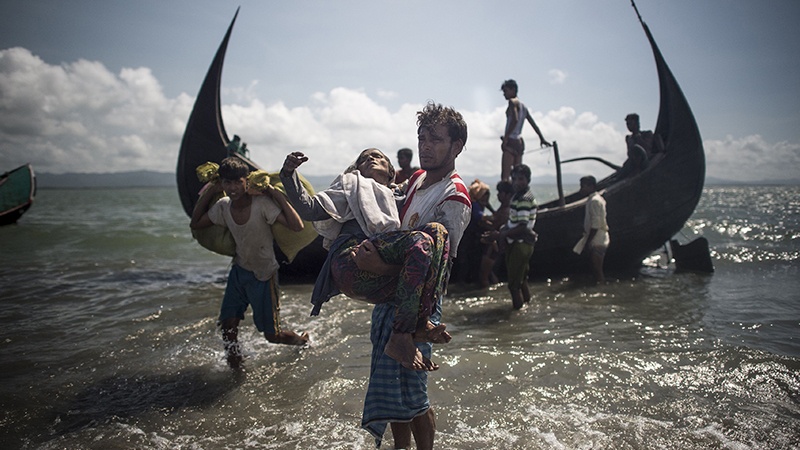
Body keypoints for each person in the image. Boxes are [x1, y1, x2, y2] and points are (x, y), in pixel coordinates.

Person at [358, 102, 472, 450]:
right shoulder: (418, 180)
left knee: (414, 394)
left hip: (419, 307)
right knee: (394, 395)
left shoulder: (455, 198)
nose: (425, 145)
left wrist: (378, 267)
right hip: (389, 300)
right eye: (422, 137)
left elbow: (436, 268)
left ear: (457, 147)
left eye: (435, 139)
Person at [279, 147, 451, 371]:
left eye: (377, 156)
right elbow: (309, 209)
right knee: (422, 241)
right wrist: (289, 174)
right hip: (351, 259)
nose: (370, 158)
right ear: (357, 168)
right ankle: (401, 336)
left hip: (379, 264)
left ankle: (419, 324)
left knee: (438, 233)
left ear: (390, 172)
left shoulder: (396, 197)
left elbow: (427, 181)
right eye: (364, 158)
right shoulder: (351, 185)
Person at [190, 157, 309, 369]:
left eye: (237, 182)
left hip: (264, 275)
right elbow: (196, 223)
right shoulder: (223, 206)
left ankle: (302, 341)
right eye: (227, 183)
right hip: (239, 271)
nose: (233, 188)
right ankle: (235, 369)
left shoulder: (262, 204)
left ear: (247, 182)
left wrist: (273, 193)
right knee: (228, 326)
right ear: (222, 184)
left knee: (272, 336)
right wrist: (210, 190)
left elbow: (297, 226)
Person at [481, 164, 537, 309]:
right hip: (519, 242)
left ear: (528, 180)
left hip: (521, 243)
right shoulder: (517, 197)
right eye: (515, 179)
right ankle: (527, 309)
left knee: (513, 286)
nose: (517, 182)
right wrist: (502, 231)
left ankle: (516, 318)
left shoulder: (524, 199)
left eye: (521, 179)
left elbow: (522, 226)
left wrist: (500, 234)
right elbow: (513, 222)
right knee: (522, 279)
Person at [500, 79, 551, 181]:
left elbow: (515, 119)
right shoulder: (523, 107)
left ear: (513, 90)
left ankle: (506, 195)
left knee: (505, 176)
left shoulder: (512, 102)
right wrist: (542, 139)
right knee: (517, 174)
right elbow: (533, 124)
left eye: (505, 91)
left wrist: (505, 138)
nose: (504, 94)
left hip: (511, 141)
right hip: (519, 142)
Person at [573, 175, 609, 284]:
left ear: (591, 186)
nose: (581, 189)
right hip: (599, 238)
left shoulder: (594, 201)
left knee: (597, 269)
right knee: (595, 268)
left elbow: (596, 224)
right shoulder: (595, 199)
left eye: (583, 186)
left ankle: (601, 290)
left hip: (598, 240)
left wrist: (588, 241)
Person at [477, 180, 514, 288]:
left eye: (500, 193)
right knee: (490, 273)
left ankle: (485, 295)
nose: (498, 195)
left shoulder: (505, 211)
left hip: (493, 247)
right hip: (496, 246)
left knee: (484, 275)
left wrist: (484, 223)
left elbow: (496, 226)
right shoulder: (503, 209)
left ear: (507, 195)